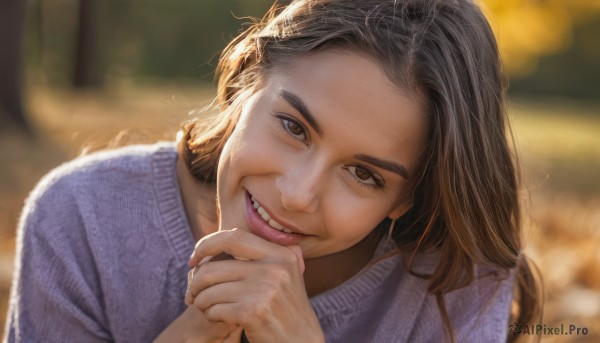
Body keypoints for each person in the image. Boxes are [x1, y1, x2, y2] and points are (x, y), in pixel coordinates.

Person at [4, 0, 541, 342]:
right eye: (293, 127)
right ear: (244, 86)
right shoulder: (82, 218)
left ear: (409, 197)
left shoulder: (455, 284)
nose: (298, 194)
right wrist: (200, 329)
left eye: (364, 175)